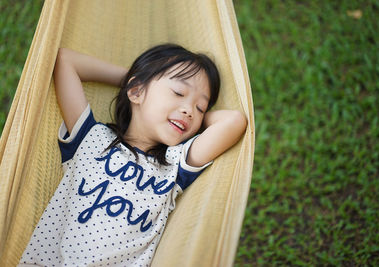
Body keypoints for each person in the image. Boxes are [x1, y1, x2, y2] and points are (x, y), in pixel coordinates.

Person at [18, 44, 247, 266]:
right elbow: (65, 60)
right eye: (178, 92)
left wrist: (191, 119)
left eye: (200, 108)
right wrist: (136, 80)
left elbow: (234, 122)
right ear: (136, 91)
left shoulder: (175, 165)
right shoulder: (91, 137)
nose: (189, 110)